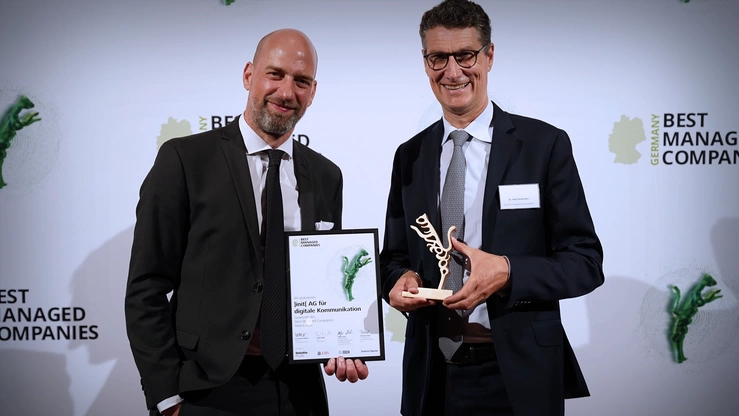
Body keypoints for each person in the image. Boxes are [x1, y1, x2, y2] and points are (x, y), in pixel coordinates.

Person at [125, 28, 368, 416]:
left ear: (313, 91)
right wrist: (168, 397)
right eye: (275, 74)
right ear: (248, 75)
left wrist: (341, 343)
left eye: (301, 81)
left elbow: (328, 285)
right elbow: (146, 287)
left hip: (298, 391)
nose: (287, 92)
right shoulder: (186, 160)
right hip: (206, 390)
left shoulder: (326, 175)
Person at [380, 1, 605, 415]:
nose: (452, 72)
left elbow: (586, 262)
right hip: (431, 376)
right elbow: (392, 258)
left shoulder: (543, 146)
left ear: (489, 55)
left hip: (518, 376)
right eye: (438, 58)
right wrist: (400, 280)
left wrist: (508, 270)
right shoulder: (408, 156)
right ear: (425, 61)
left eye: (465, 55)